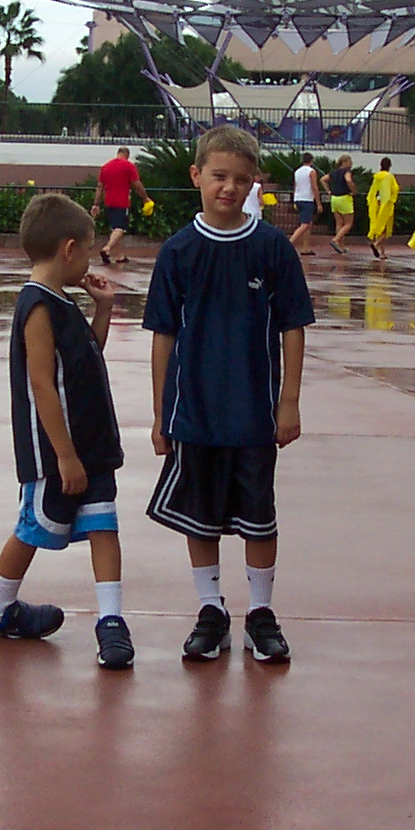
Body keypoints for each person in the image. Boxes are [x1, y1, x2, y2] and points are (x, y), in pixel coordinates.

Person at [143, 125, 315, 665]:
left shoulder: (271, 249)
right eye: (219, 176)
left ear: (254, 185)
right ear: (196, 176)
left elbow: (293, 326)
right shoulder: (178, 252)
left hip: (254, 414)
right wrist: (158, 414)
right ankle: (211, 609)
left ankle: (260, 612)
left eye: (242, 179)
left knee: (259, 515)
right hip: (193, 413)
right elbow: (163, 336)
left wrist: (288, 400)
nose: (229, 187)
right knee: (201, 517)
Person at [0, 193, 133, 670]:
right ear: (68, 249)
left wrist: (102, 310)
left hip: (92, 445)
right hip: (55, 453)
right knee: (33, 526)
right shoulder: (38, 307)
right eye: (87, 250)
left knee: (105, 524)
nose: (88, 259)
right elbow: (41, 384)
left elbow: (87, 357)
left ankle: (111, 621)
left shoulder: (63, 302)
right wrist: (64, 455)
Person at [96, 146, 151, 265]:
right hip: (122, 202)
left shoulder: (106, 166)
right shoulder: (128, 166)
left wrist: (96, 204)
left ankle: (119, 255)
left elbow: (100, 187)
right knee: (120, 228)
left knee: (115, 228)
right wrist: (145, 198)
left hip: (109, 202)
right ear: (127, 155)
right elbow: (137, 184)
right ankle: (107, 248)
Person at [288, 154, 327, 255]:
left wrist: (294, 199)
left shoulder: (297, 171)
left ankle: (306, 248)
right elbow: (314, 186)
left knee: (308, 224)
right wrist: (318, 203)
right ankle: (289, 242)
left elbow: (295, 185)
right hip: (307, 199)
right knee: (305, 224)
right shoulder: (311, 171)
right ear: (311, 161)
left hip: (298, 197)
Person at [365, 156, 399, 261]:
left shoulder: (377, 176)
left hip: (376, 203)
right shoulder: (389, 177)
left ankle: (382, 253)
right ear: (389, 166)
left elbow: (373, 190)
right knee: (384, 229)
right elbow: (395, 188)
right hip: (385, 204)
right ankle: (376, 244)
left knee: (378, 227)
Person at [325, 155, 357, 254]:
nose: (351, 163)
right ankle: (336, 240)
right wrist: (353, 190)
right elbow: (348, 180)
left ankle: (341, 246)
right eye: (350, 161)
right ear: (344, 162)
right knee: (348, 223)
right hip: (344, 197)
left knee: (339, 223)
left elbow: (323, 179)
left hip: (334, 198)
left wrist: (328, 191)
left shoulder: (334, 172)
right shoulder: (346, 171)